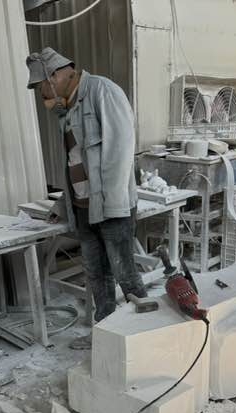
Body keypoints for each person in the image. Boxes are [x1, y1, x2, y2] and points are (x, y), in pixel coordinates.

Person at [25, 47, 147, 349]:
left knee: (124, 273)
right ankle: (105, 337)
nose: (42, 95)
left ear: (55, 76)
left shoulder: (103, 91)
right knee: (97, 276)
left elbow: (120, 151)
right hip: (83, 209)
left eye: (41, 87)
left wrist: (111, 207)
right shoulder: (67, 110)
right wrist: (62, 204)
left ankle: (144, 338)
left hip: (110, 207)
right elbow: (74, 164)